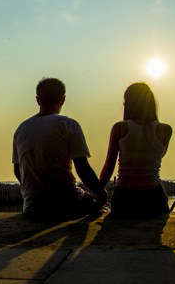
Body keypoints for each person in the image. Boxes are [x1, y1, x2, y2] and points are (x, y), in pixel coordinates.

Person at [12, 77, 107, 220]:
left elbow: (18, 170)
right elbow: (82, 168)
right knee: (91, 201)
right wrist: (102, 195)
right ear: (62, 100)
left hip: (32, 207)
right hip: (67, 204)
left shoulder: (21, 129)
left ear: (37, 100)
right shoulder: (69, 125)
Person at [98, 82, 173, 218]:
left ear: (128, 104)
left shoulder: (120, 128)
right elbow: (156, 159)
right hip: (155, 197)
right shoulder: (165, 130)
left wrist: (98, 193)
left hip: (125, 197)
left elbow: (109, 167)